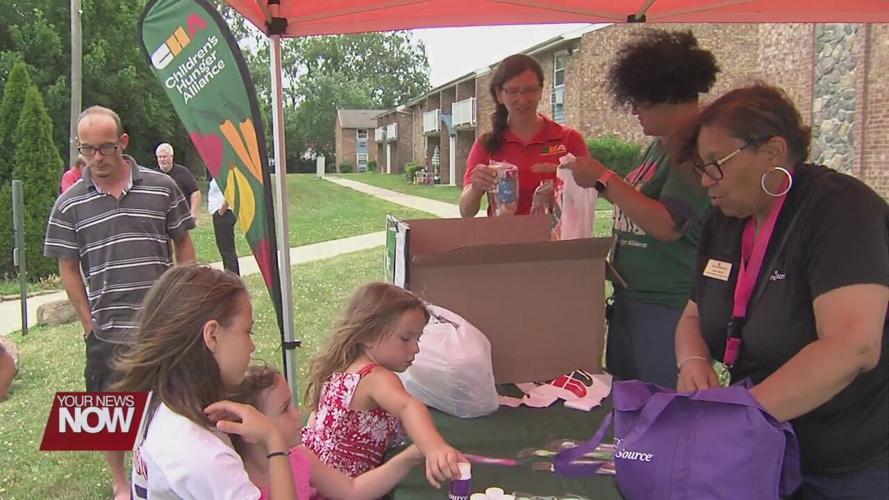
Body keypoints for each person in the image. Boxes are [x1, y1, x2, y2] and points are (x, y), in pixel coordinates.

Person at [675, 84, 888, 498]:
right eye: (701, 166)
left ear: (772, 152)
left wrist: (741, 416)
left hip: (847, 464)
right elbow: (693, 314)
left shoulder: (842, 210)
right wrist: (692, 360)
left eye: (716, 163)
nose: (705, 180)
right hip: (765, 449)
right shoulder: (726, 218)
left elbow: (853, 346)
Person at [545, 30, 718, 388]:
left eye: (640, 101)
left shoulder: (694, 151)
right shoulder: (661, 146)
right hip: (632, 302)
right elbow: (640, 205)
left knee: (662, 414)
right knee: (629, 406)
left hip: (667, 310)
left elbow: (669, 223)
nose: (635, 110)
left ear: (666, 94)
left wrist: (605, 178)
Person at [43, 106, 196, 500]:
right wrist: (86, 322)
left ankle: (166, 473)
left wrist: (185, 300)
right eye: (87, 150)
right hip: (107, 328)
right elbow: (68, 267)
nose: (97, 158)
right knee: (106, 413)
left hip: (161, 325)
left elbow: (183, 243)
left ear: (123, 143)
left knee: (175, 405)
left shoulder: (161, 187)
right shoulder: (69, 204)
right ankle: (121, 481)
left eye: (105, 149)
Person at [116, 266, 297, 500]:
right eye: (247, 331)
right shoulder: (202, 454)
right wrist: (274, 442)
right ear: (212, 336)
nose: (252, 347)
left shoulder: (159, 400)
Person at [301, 282, 463, 487]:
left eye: (418, 338)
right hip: (346, 486)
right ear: (369, 336)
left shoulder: (344, 365)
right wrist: (435, 448)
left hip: (315, 475)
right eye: (405, 339)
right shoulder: (376, 377)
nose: (416, 349)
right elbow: (407, 406)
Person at [229, 365, 425, 498]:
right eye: (284, 409)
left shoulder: (299, 458)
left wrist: (410, 457)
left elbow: (352, 491)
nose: (297, 414)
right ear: (249, 429)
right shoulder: (235, 481)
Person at [459, 53, 590, 217]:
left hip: (556, 239)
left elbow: (588, 196)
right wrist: (476, 187)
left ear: (541, 91)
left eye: (530, 90)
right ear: (499, 95)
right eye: (513, 91)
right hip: (504, 238)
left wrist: (560, 190)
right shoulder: (486, 144)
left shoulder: (570, 140)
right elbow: (466, 211)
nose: (522, 99)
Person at [155, 142, 201, 224]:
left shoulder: (183, 172)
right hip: (160, 218)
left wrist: (193, 213)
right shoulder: (153, 175)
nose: (162, 159)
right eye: (159, 157)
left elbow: (195, 192)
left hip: (181, 217)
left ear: (172, 157)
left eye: (165, 157)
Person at [208, 174, 240, 275]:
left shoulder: (225, 174)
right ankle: (230, 275)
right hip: (219, 213)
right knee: (223, 248)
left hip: (224, 214)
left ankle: (232, 276)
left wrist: (222, 210)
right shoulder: (216, 174)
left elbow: (231, 191)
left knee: (227, 249)